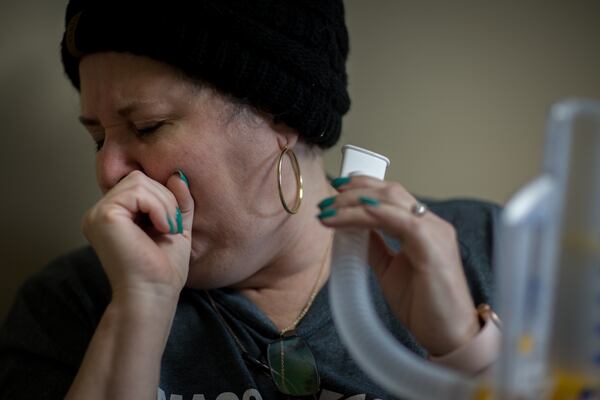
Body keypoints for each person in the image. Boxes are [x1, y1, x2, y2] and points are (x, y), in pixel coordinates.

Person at [0, 1, 501, 399]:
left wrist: (464, 349)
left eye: (147, 126)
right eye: (98, 139)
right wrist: (138, 312)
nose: (108, 172)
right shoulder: (70, 305)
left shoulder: (493, 251)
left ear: (280, 113)